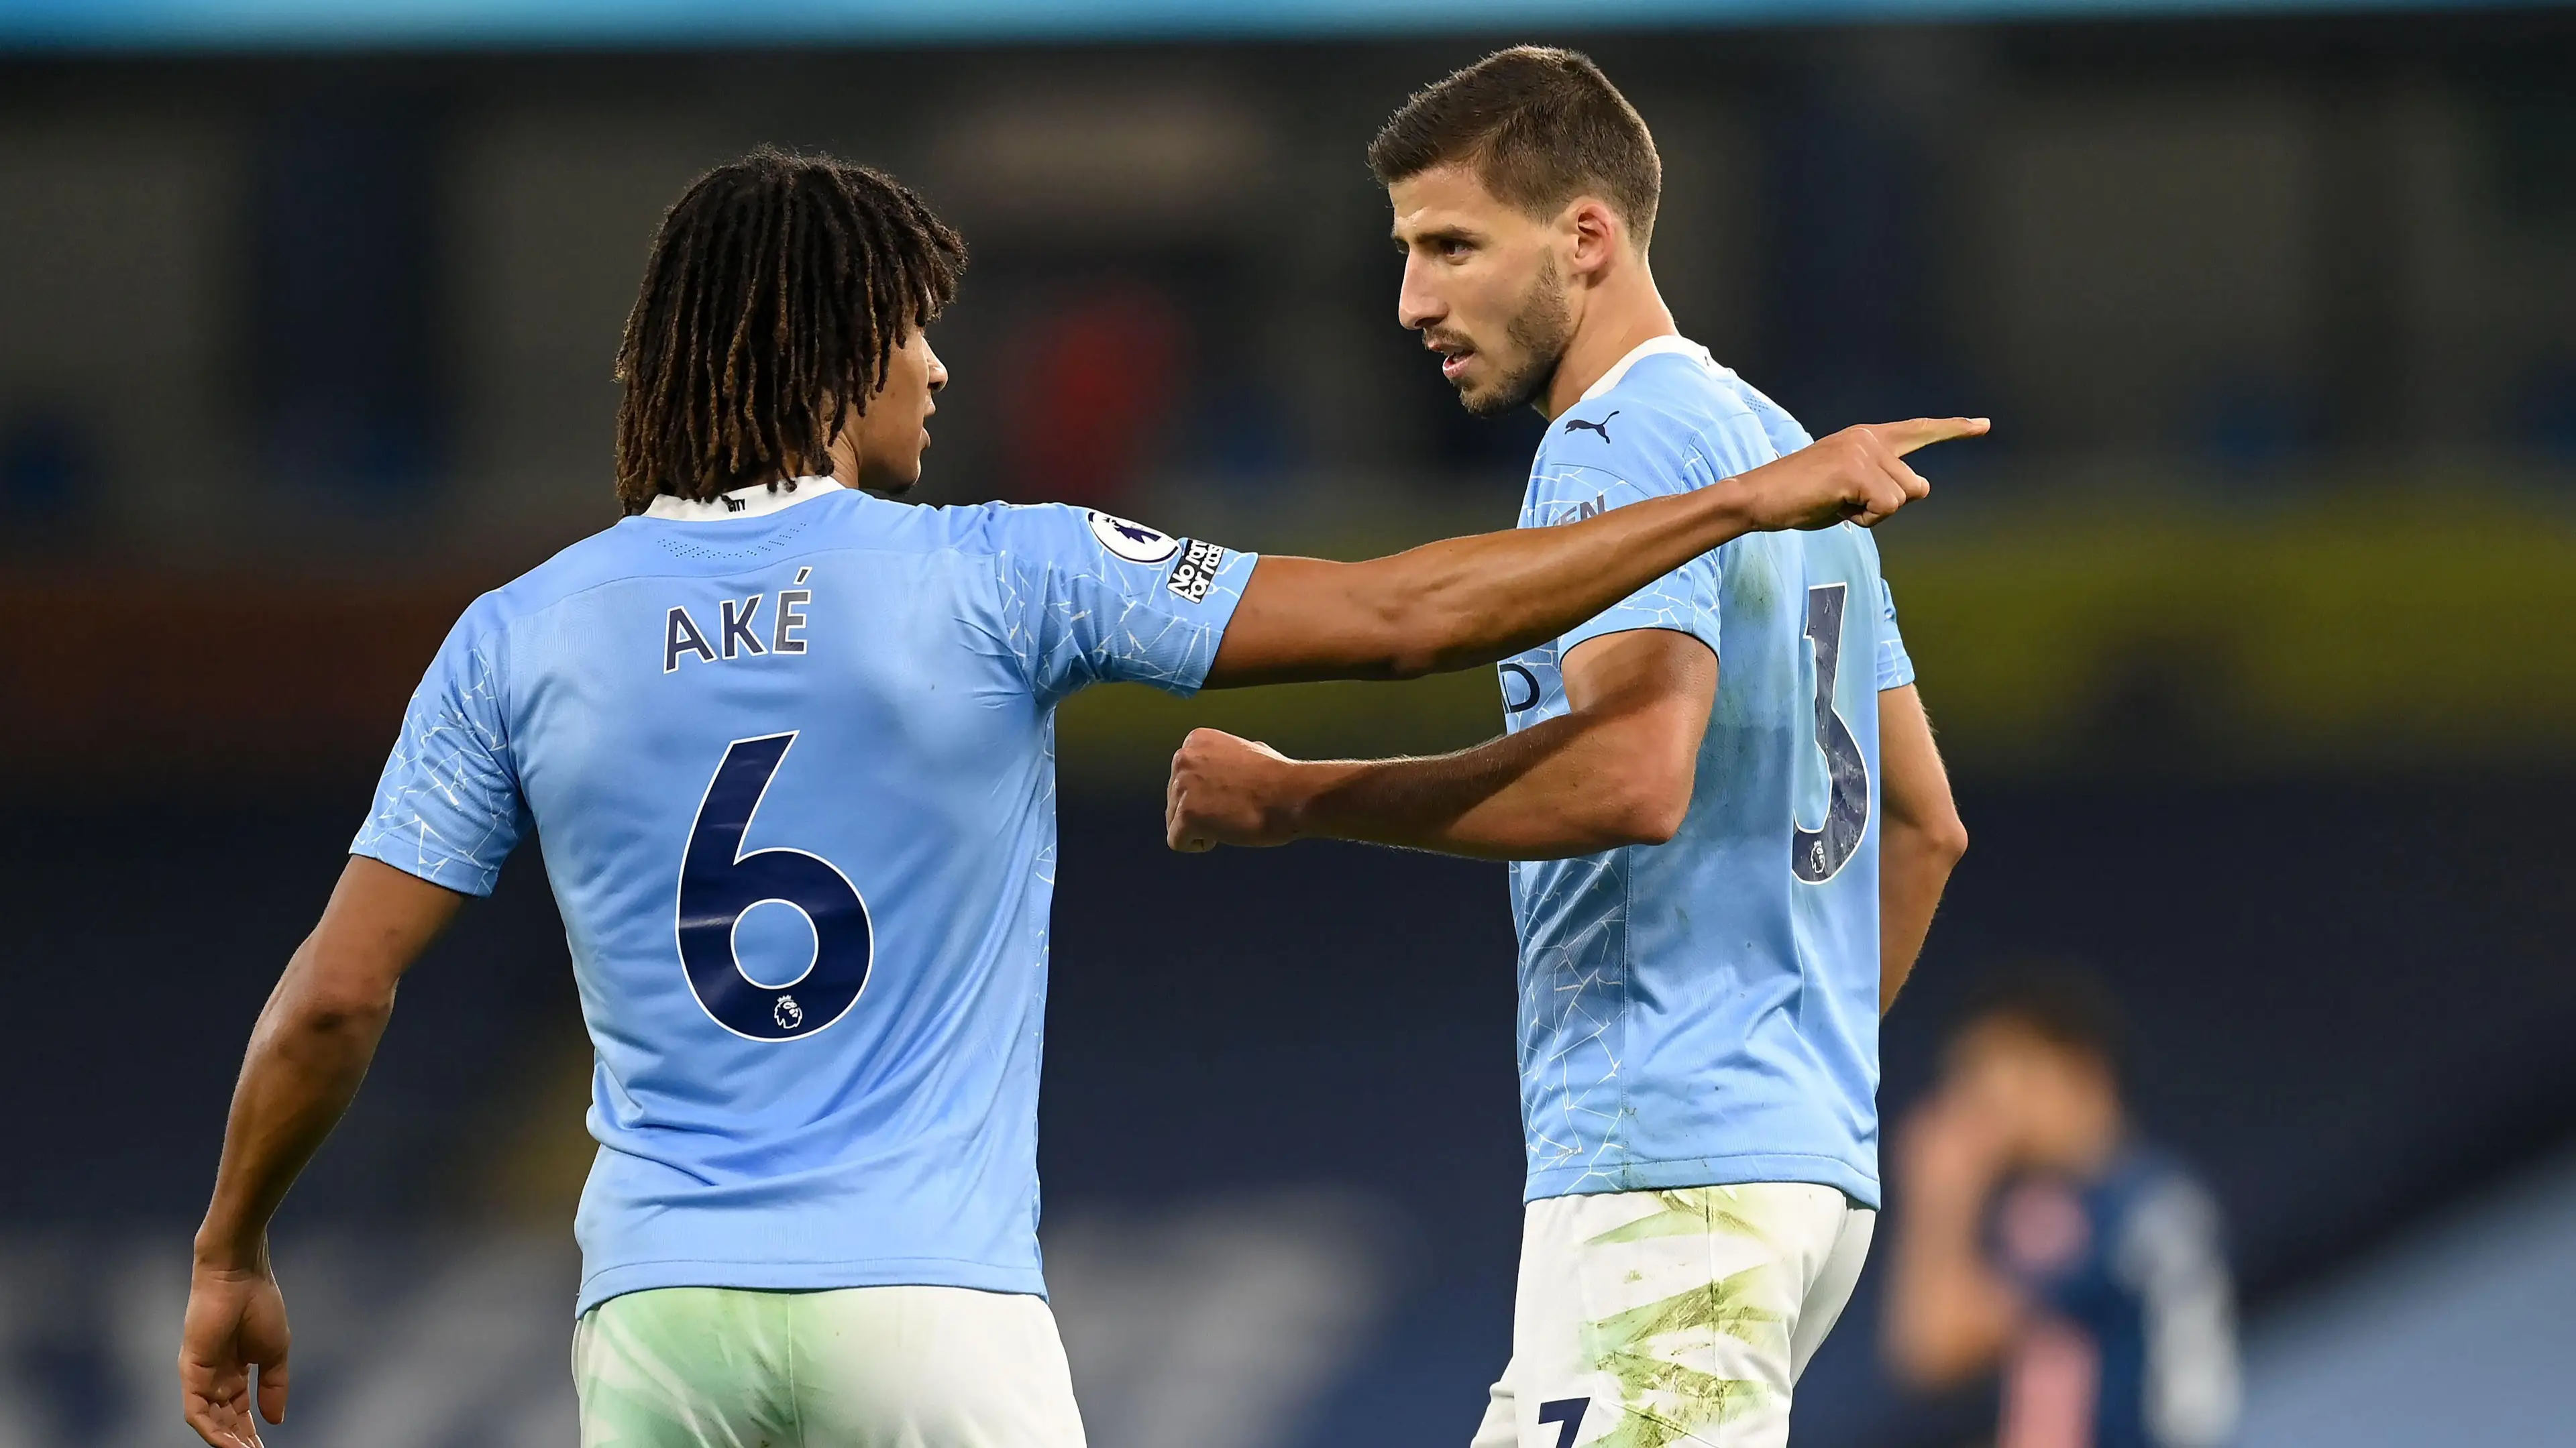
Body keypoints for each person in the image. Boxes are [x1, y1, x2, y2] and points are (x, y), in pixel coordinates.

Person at [174, 146, 1978, 1448]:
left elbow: (338, 990)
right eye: (912, 333)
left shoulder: (518, 634)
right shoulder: (1004, 571)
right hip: (934, 1313)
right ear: (830, 353)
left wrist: (235, 1240)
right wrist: (1740, 502)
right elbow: (1404, 610)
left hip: (655, 1322)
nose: (942, 367)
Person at [1161, 48, 1976, 1448]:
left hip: (1673, 1181)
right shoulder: (1778, 449)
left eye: (1451, 245)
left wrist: (1301, 796)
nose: (1414, 299)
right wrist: (1792, 1083)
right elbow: (1924, 826)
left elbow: (1630, 773)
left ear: (1584, 236)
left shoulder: (1614, 445)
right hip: (1784, 1172)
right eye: (1409, 252)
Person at [1885, 970, 2241, 1448]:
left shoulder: (2113, 1207)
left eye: (1999, 1077)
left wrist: (1940, 1197)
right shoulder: (2134, 1194)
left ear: (2078, 1071)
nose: (1983, 1113)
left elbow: (1933, 1347)